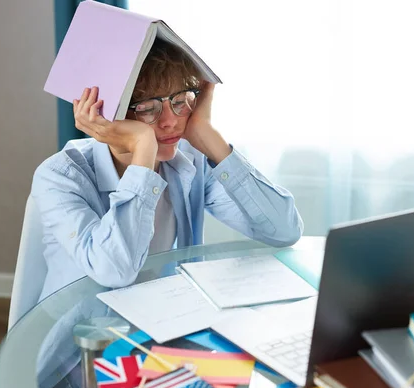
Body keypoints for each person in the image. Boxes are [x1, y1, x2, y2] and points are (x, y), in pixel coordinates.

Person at [31, 40, 303, 302]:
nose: (171, 122)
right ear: (103, 112)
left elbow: (283, 231)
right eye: (148, 108)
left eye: (180, 100)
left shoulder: (190, 160)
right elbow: (116, 270)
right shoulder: (59, 177)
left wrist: (212, 140)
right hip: (88, 338)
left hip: (166, 323)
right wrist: (142, 149)